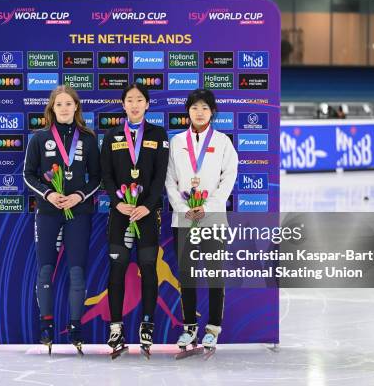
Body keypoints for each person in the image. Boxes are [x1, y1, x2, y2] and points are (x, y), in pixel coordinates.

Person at [23, 85, 101, 354]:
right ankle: (46, 326)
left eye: (69, 104)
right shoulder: (39, 138)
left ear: (76, 107)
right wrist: (48, 194)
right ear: (52, 109)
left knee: (76, 272)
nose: (65, 108)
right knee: (45, 270)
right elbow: (28, 174)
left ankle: (75, 327)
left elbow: (98, 178)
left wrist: (79, 196)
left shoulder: (89, 139)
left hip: (78, 213)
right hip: (48, 213)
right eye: (59, 105)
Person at [165, 88, 238, 354]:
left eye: (204, 108)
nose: (199, 112)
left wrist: (206, 208)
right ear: (188, 111)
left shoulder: (222, 142)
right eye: (194, 108)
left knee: (214, 274)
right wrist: (183, 207)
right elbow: (169, 179)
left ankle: (213, 328)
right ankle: (189, 327)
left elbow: (228, 178)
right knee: (187, 276)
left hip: (213, 219)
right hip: (183, 218)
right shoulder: (176, 142)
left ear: (212, 112)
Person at [100, 83, 169, 357]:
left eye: (140, 99)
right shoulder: (112, 135)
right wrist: (118, 204)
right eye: (130, 100)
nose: (135, 104)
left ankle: (147, 324)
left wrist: (147, 207)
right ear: (123, 104)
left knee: (148, 268)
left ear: (147, 105)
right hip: (120, 214)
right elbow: (106, 176)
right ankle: (116, 326)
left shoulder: (158, 134)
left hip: (147, 215)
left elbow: (159, 177)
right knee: (117, 269)